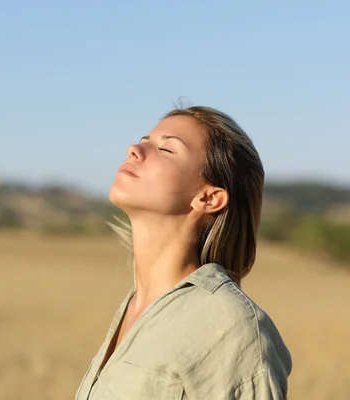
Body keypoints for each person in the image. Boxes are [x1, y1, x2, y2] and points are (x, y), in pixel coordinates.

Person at [75, 106, 292, 399]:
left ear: (209, 198)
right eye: (145, 140)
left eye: (166, 149)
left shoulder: (231, 325)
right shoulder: (135, 307)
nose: (134, 149)